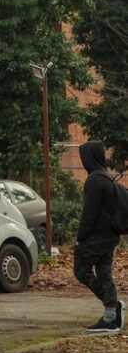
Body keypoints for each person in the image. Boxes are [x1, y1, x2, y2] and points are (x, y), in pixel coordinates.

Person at [74, 140, 125, 332]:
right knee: (104, 272)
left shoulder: (95, 180)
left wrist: (80, 237)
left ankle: (112, 304)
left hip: (97, 236)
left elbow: (89, 213)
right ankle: (110, 317)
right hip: (111, 235)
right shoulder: (107, 177)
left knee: (80, 270)